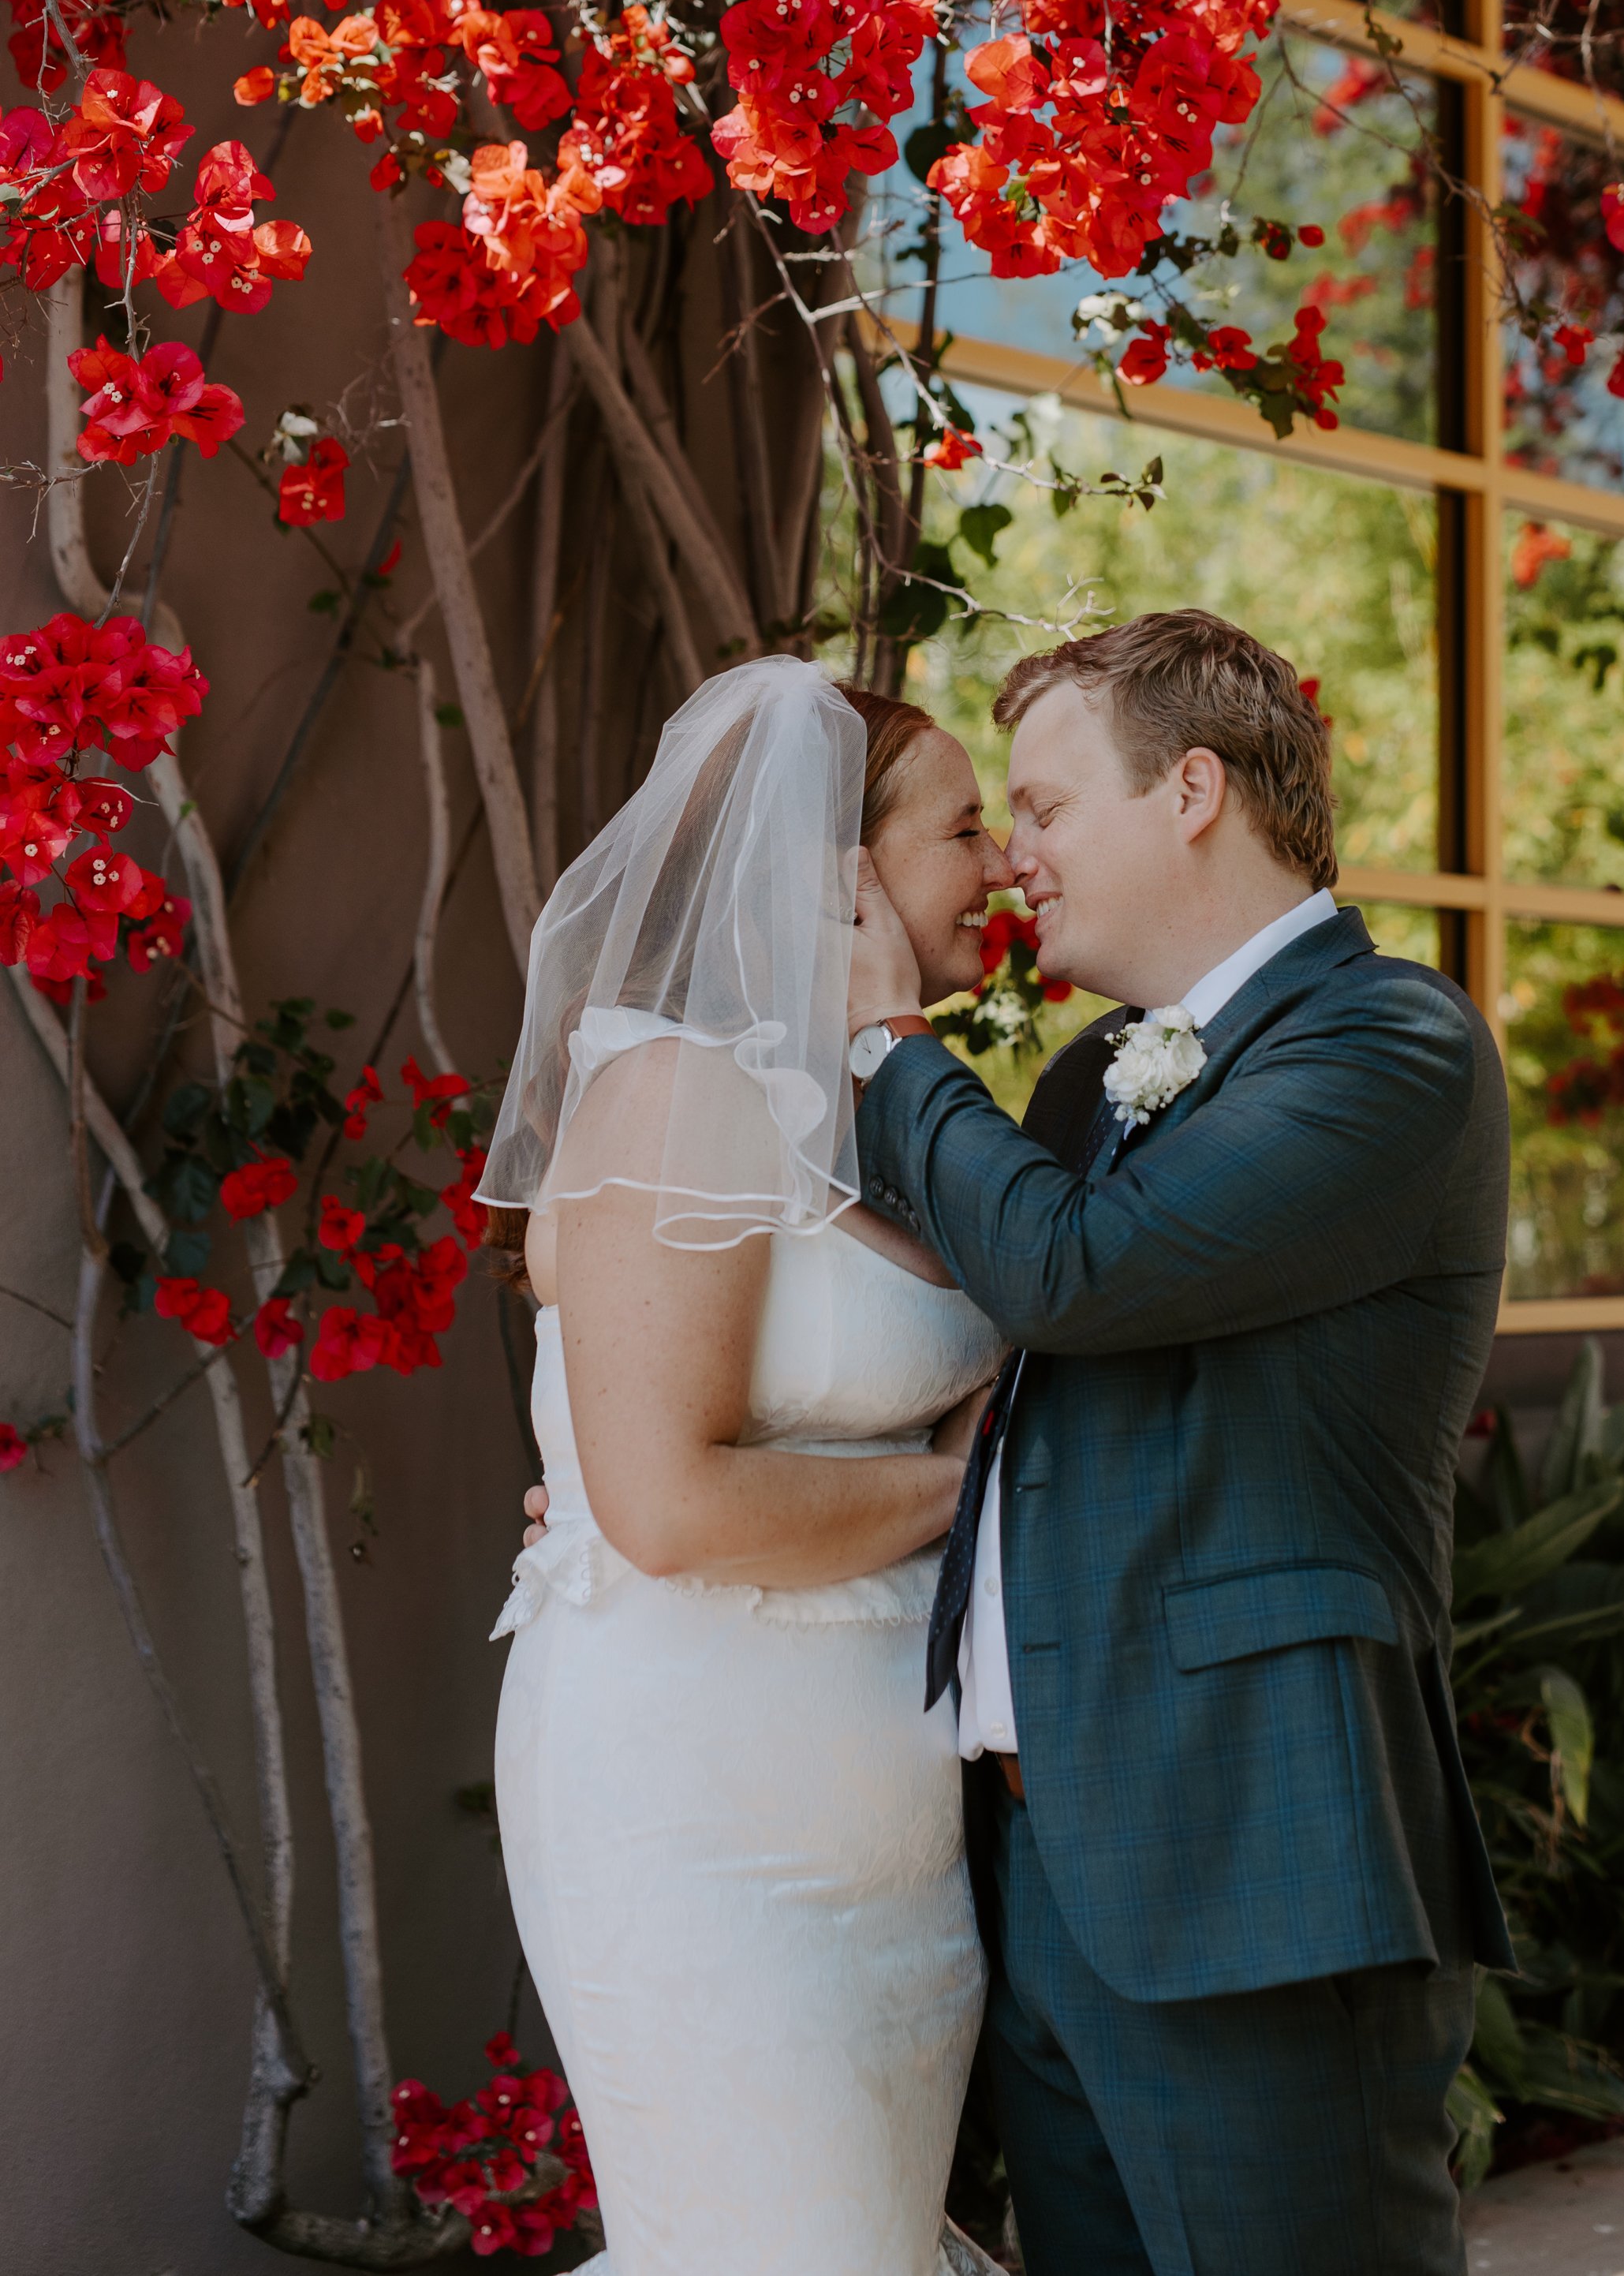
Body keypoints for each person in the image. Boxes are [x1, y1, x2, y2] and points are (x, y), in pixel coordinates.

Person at [845, 609, 1513, 2276]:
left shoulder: (1390, 1046)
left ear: (1193, 788)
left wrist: (885, 1049)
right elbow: (998, 1410)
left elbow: (1083, 1274)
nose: (1014, 854)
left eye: (1048, 807)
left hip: (1248, 1864)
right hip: (1037, 1865)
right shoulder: (1083, 1089)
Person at [480, 656, 1014, 2276]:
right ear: (835, 876)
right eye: (963, 831)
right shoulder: (672, 1091)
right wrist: (972, 1494)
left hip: (891, 1838)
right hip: (693, 1819)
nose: (998, 866)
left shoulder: (864, 1112)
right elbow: (669, 1507)